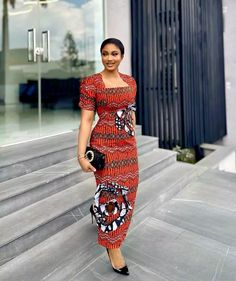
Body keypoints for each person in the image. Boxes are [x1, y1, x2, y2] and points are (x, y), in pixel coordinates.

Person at [77, 38, 139, 276]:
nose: (109, 58)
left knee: (130, 192)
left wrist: (132, 142)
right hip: (104, 146)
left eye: (114, 54)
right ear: (100, 56)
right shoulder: (91, 83)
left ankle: (99, 210)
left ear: (122, 56)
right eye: (105, 54)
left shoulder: (130, 82)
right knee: (112, 195)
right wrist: (82, 155)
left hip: (127, 148)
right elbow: (86, 120)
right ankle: (113, 247)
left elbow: (130, 112)